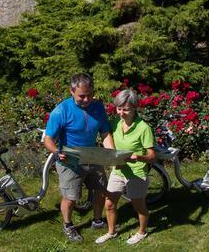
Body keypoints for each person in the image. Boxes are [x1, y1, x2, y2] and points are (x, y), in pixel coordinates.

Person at [44, 72, 115, 243]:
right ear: (71, 91)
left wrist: (112, 154)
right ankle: (68, 225)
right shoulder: (61, 110)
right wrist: (55, 152)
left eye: (90, 95)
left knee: (100, 190)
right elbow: (48, 139)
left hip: (92, 155)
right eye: (82, 96)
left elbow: (105, 132)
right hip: (70, 160)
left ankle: (97, 221)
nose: (86, 99)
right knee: (71, 197)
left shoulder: (97, 107)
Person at [95, 88, 155, 246]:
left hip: (136, 172)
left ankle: (142, 232)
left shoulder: (144, 128)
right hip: (119, 170)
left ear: (135, 108)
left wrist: (139, 157)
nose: (121, 113)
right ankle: (111, 232)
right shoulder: (115, 122)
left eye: (126, 109)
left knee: (139, 206)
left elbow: (152, 156)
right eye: (119, 108)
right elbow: (104, 135)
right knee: (109, 203)